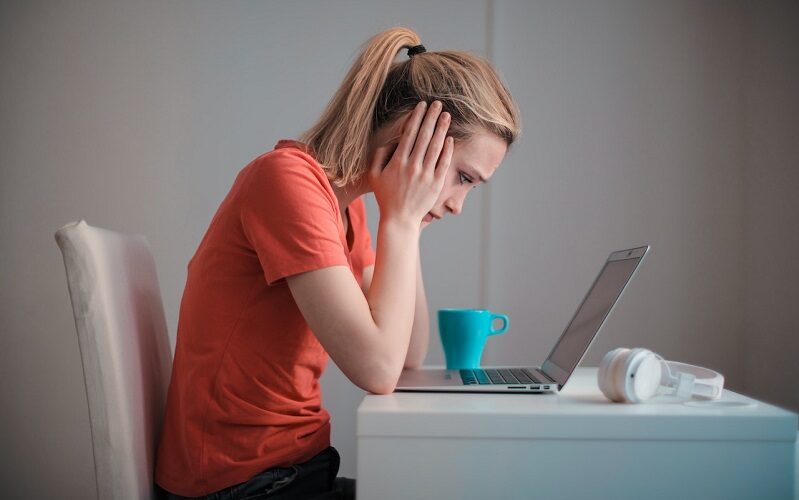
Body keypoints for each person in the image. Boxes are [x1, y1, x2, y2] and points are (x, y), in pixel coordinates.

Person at [154, 26, 521, 499]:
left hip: (294, 471)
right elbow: (378, 369)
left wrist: (408, 220)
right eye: (463, 178)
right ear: (415, 136)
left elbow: (407, 353)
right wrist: (402, 223)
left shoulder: (346, 207)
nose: (458, 205)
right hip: (241, 485)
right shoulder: (286, 183)